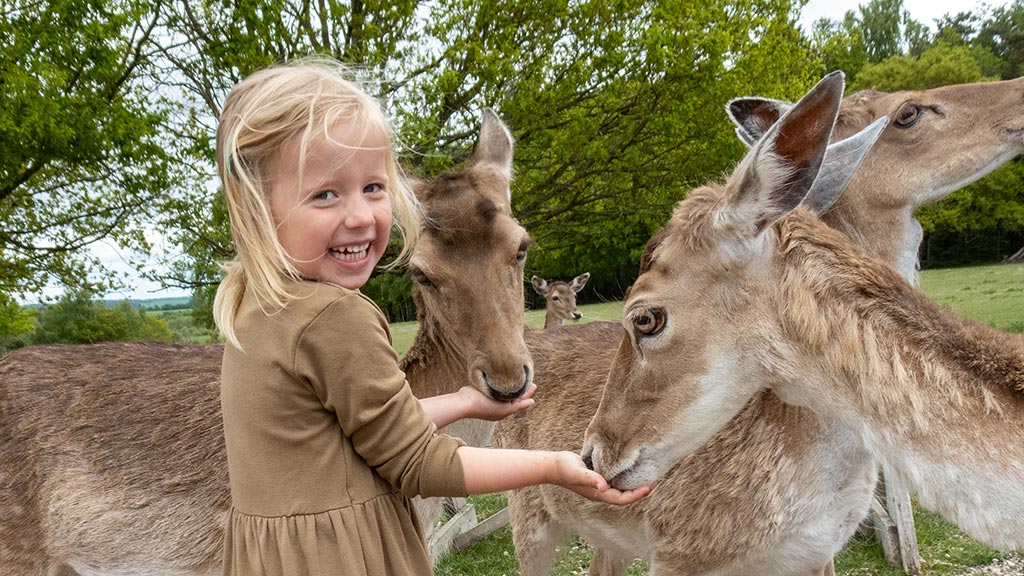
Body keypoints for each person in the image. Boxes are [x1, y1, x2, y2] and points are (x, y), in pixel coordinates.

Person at [212, 58, 651, 576]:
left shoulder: (255, 306)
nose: (359, 215)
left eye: (373, 188)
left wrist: (459, 401)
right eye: (326, 193)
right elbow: (420, 463)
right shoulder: (335, 319)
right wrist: (554, 465)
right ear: (257, 206)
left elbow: (356, 433)